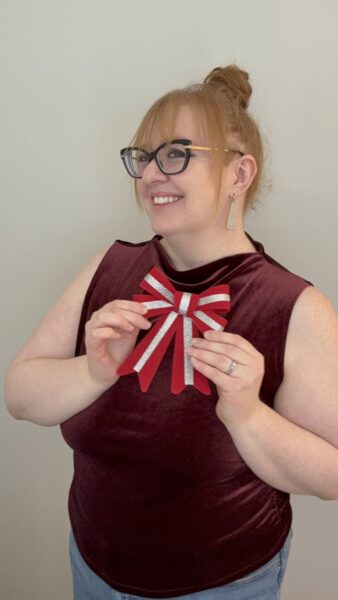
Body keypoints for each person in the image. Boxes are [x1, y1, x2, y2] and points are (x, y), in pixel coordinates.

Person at [5, 64, 338, 600]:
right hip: (92, 567)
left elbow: (333, 475)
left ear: (239, 174)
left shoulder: (295, 306)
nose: (152, 174)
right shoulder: (109, 267)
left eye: (177, 154)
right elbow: (20, 396)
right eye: (144, 157)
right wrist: (92, 370)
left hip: (222, 586)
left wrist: (248, 415)